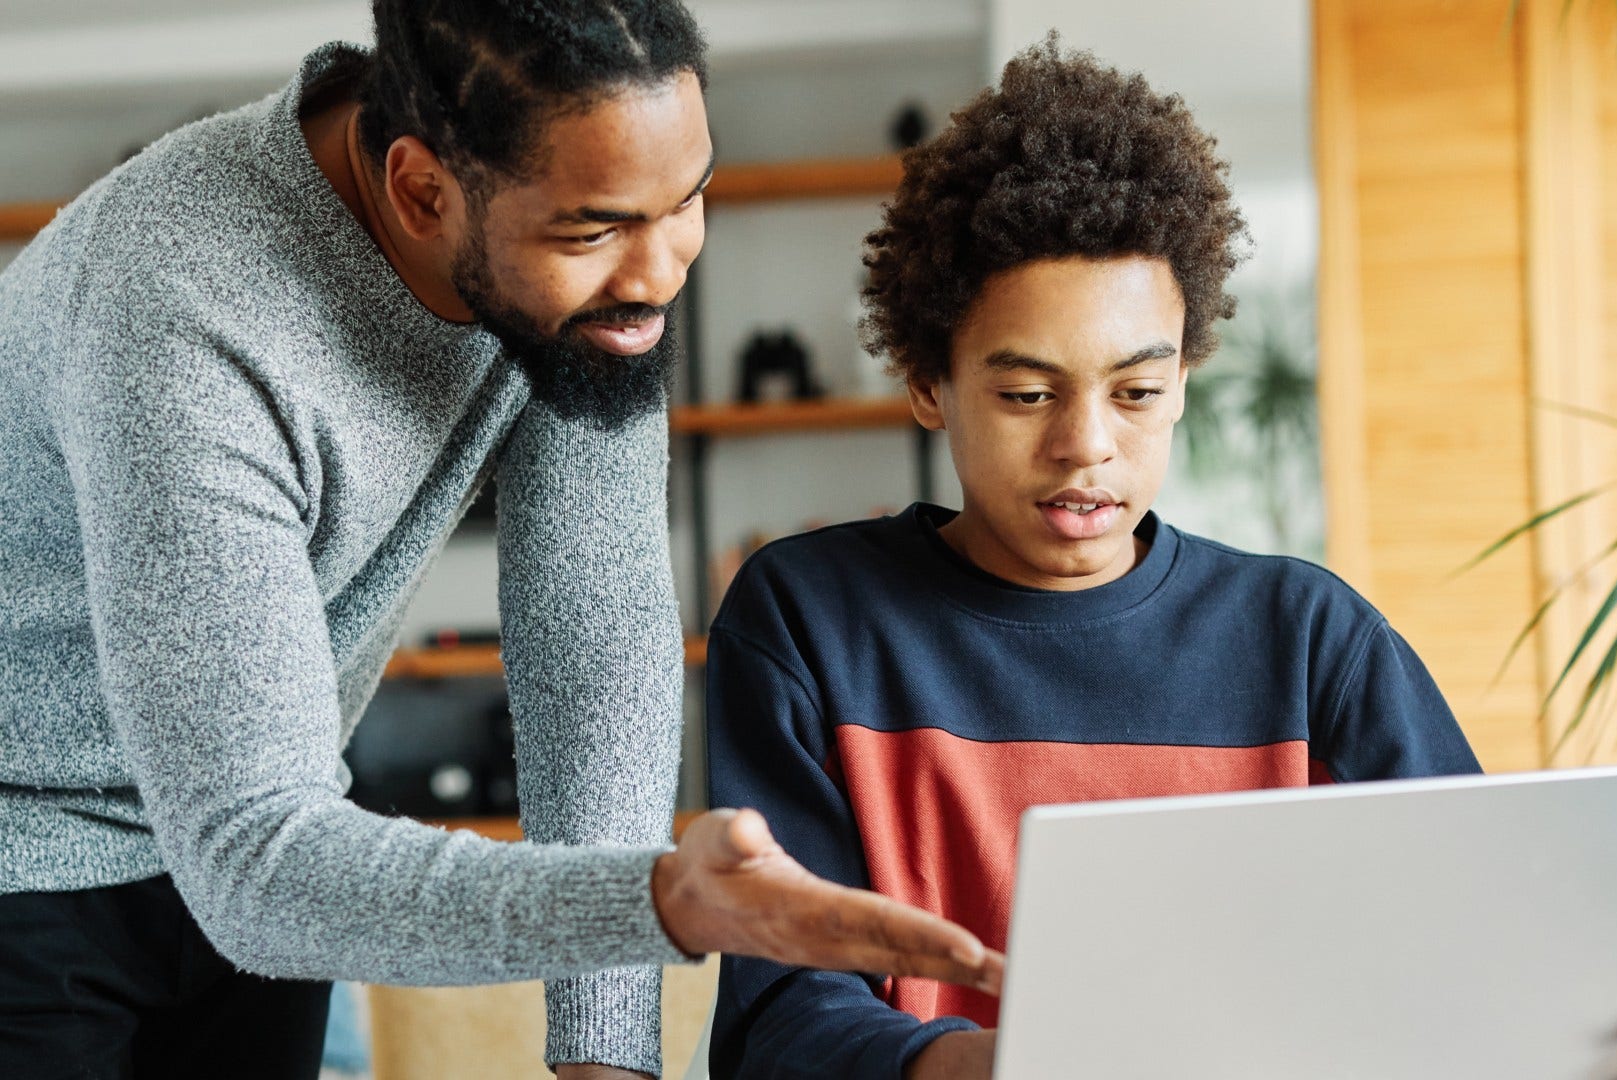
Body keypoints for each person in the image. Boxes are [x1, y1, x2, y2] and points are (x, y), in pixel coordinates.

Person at [0, 3, 1000, 1079]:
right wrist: (658, 902)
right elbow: (252, 863)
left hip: (262, 848)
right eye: (595, 229)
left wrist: (607, 1054)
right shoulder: (188, 305)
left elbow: (595, 658)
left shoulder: (593, 274)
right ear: (421, 191)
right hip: (31, 847)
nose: (659, 270)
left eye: (690, 197)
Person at [704, 38, 1617, 1080]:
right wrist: (999, 1068)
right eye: (1025, 394)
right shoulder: (808, 621)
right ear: (928, 382)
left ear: (1185, 378)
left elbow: (1476, 957)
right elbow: (780, 1013)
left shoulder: (1311, 641)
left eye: (1137, 392)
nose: (1086, 443)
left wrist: (1594, 1031)